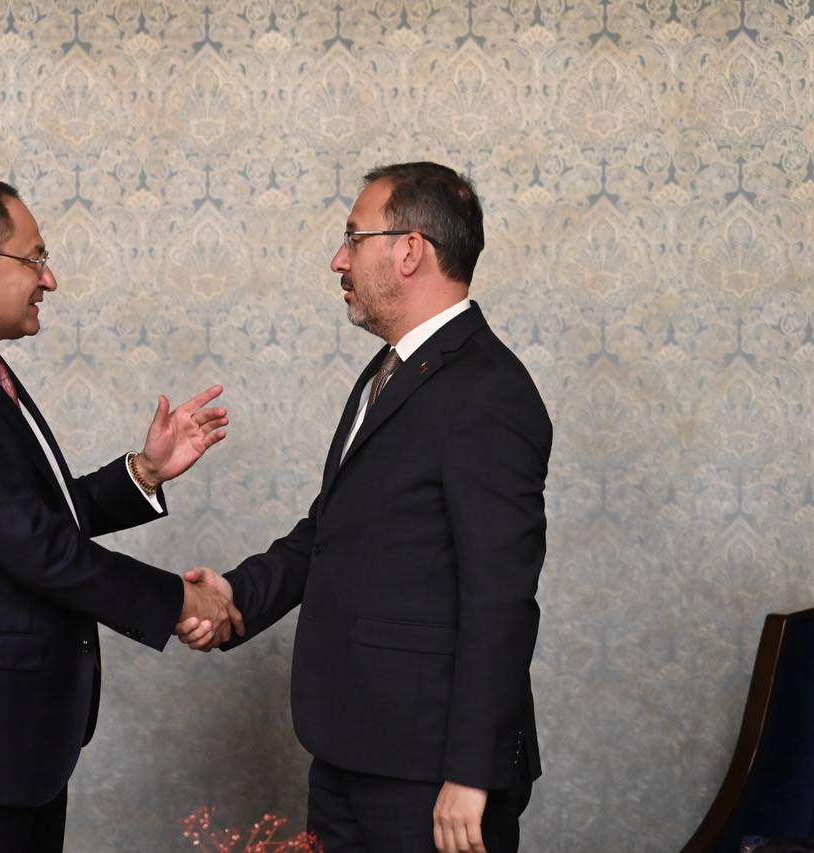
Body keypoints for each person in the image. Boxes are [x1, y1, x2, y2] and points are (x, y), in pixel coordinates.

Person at [0, 176, 243, 852]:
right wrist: (179, 600)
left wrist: (143, 472)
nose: (49, 279)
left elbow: (24, 519)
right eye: (34, 259)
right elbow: (34, 545)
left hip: (3, 734)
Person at [179, 162, 552, 853]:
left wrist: (470, 773)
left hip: (431, 771)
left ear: (410, 250)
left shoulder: (489, 391)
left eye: (354, 238)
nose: (338, 260)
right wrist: (235, 595)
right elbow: (332, 531)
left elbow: (501, 596)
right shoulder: (388, 372)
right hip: (350, 748)